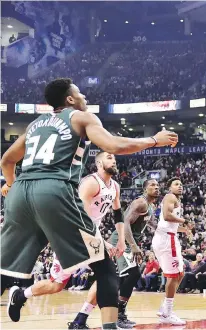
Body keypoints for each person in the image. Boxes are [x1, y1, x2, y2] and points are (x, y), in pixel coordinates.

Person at [0, 78, 177, 329]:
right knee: (105, 268)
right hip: (54, 193)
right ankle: (109, 326)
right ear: (70, 99)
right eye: (79, 92)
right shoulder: (81, 117)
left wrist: (10, 185)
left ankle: (23, 296)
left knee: (5, 271)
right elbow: (114, 145)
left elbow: (7, 160)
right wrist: (154, 140)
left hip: (20, 195)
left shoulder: (36, 124)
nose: (84, 96)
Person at [6, 151, 128, 327]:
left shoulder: (115, 186)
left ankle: (82, 320)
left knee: (107, 276)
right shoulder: (90, 183)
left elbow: (118, 213)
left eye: (115, 158)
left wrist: (121, 240)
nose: (114, 160)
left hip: (91, 237)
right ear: (99, 164)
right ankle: (19, 296)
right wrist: (103, 242)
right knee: (57, 285)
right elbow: (79, 219)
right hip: (72, 236)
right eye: (109, 158)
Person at [70, 178, 160, 328]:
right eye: (152, 185)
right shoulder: (140, 202)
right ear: (145, 189)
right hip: (120, 241)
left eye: (157, 185)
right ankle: (117, 314)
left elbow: (150, 222)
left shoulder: (150, 206)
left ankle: (84, 317)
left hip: (127, 243)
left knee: (110, 278)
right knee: (132, 274)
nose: (156, 187)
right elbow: (124, 222)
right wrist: (133, 245)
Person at [152, 177, 191, 325]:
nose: (180, 186)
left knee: (180, 273)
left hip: (168, 237)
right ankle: (167, 312)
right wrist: (184, 221)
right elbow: (168, 216)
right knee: (174, 275)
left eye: (181, 184)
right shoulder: (170, 197)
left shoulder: (176, 200)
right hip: (167, 240)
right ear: (169, 188)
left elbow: (170, 223)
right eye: (176, 184)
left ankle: (164, 308)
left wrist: (184, 230)